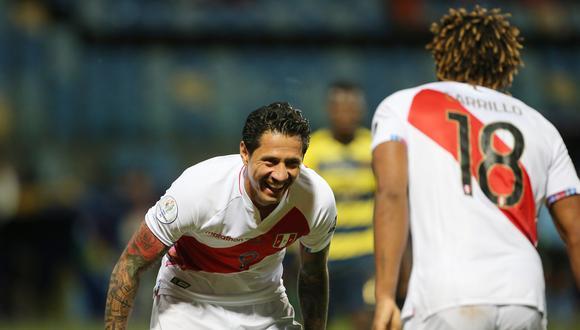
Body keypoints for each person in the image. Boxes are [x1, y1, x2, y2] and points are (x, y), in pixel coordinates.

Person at [371, 6, 580, 330]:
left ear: (441, 55)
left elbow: (392, 194)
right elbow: (576, 230)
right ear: (508, 63)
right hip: (524, 298)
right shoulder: (541, 126)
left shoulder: (403, 106)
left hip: (447, 295)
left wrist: (385, 294)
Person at [104, 102, 337, 330]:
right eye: (270, 161)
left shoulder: (316, 201)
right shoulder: (198, 190)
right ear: (245, 152)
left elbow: (313, 273)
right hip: (187, 303)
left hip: (265, 305)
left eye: (292, 164)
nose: (280, 175)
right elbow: (130, 264)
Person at [303, 81, 375, 329]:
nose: (346, 113)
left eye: (351, 107)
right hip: (326, 254)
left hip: (365, 255)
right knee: (320, 320)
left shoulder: (373, 147)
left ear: (360, 111)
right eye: (340, 107)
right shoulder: (314, 148)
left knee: (364, 320)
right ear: (330, 110)